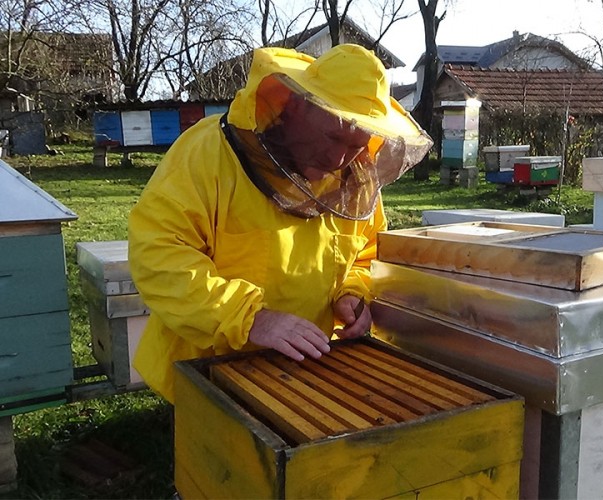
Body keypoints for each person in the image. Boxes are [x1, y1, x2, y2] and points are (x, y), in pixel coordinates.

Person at [128, 43, 432, 403]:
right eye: (333, 136)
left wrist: (351, 293)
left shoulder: (356, 182)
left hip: (302, 371)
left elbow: (365, 254)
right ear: (297, 105)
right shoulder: (208, 151)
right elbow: (159, 253)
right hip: (207, 366)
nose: (338, 158)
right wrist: (250, 318)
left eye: (356, 145)